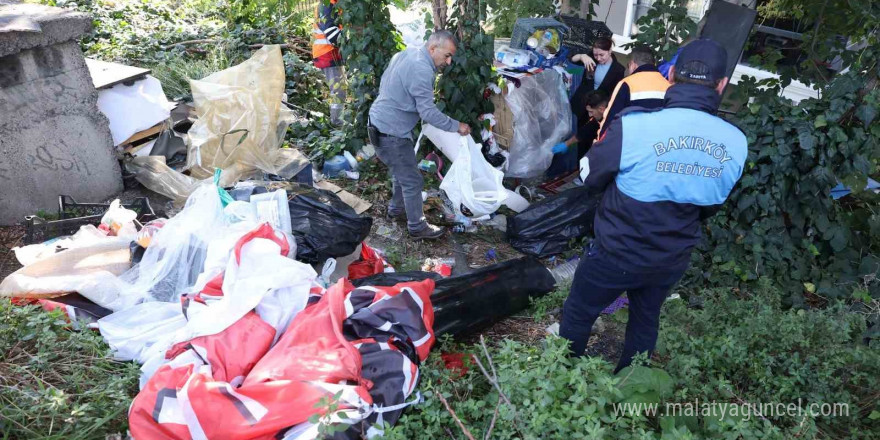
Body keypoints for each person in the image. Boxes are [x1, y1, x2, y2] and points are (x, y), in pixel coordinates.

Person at [559, 39, 747, 373]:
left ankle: (561, 376)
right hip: (670, 258)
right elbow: (713, 204)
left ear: (671, 74)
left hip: (616, 250)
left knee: (579, 311)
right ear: (722, 85)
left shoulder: (634, 125)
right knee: (645, 321)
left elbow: (588, 175)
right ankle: (630, 387)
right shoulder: (736, 142)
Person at [368, 30, 470, 241]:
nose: (449, 62)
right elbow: (428, 112)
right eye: (447, 55)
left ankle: (396, 211)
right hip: (391, 132)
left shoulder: (406, 53)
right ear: (433, 48)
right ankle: (417, 227)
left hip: (380, 123)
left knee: (402, 173)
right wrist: (456, 125)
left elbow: (385, 85)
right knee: (413, 181)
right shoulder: (422, 69)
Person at [598, 44, 670, 137]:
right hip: (657, 144)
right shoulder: (668, 85)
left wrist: (599, 142)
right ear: (654, 64)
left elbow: (610, 119)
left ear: (632, 65)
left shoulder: (627, 83)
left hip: (630, 141)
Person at [569, 37, 625, 124]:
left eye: (602, 55)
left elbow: (613, 93)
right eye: (596, 55)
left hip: (596, 108)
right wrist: (582, 56)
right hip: (579, 100)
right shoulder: (591, 57)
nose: (598, 58)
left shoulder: (618, 70)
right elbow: (571, 59)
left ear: (610, 51)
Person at [312, 0, 345, 125]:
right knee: (338, 90)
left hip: (330, 53)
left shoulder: (333, 4)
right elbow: (331, 32)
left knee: (338, 89)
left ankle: (336, 119)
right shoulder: (327, 5)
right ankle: (337, 122)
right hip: (327, 53)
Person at [551, 90, 609, 159]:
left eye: (591, 111)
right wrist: (566, 144)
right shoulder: (599, 116)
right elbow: (586, 130)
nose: (590, 115)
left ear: (601, 109)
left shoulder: (613, 121)